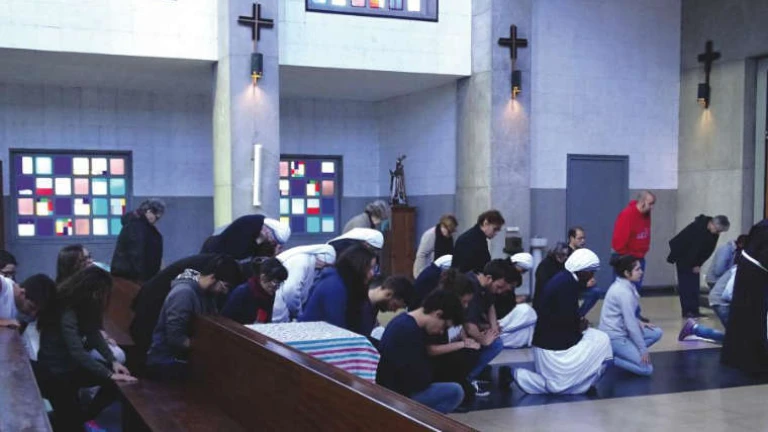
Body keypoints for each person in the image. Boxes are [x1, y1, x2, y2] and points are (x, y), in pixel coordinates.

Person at [37, 266, 137, 431]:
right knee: (71, 425)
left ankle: (81, 416)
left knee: (118, 382)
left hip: (70, 368)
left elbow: (93, 333)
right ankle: (69, 418)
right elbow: (76, 351)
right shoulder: (65, 309)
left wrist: (113, 362)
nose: (103, 297)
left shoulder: (83, 306)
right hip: (56, 372)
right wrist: (109, 374)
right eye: (101, 292)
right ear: (91, 290)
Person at [515, 249, 613, 395]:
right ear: (582, 270)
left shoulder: (565, 278)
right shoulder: (566, 285)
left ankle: (580, 383)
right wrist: (579, 325)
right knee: (559, 386)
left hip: (549, 341)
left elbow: (563, 317)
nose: (592, 276)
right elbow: (565, 322)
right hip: (553, 348)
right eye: (591, 272)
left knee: (600, 338)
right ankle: (520, 376)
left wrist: (577, 323)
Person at [130, 253, 244, 364]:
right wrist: (202, 347)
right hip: (167, 359)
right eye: (225, 286)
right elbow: (175, 337)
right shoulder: (184, 293)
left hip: (180, 356)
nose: (225, 292)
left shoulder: (208, 295)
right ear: (212, 277)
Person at [376, 289, 466, 414]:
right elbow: (416, 381)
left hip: (394, 389)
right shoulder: (408, 330)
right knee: (455, 392)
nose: (441, 332)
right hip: (396, 396)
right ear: (438, 314)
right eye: (444, 326)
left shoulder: (404, 322)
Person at [56, 244, 126, 364]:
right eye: (84, 260)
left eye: (89, 257)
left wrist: (103, 334)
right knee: (116, 356)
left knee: (118, 355)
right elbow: (74, 337)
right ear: (70, 265)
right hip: (71, 346)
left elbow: (93, 323)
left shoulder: (89, 287)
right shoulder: (65, 294)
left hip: (86, 339)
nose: (91, 262)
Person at [599, 255, 663, 376]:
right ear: (627, 273)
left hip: (623, 331)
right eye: (637, 269)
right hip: (615, 337)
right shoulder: (623, 292)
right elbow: (630, 325)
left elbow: (628, 316)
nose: (641, 272)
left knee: (656, 332)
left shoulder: (627, 285)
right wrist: (643, 350)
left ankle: (628, 352)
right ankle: (612, 359)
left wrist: (639, 322)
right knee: (646, 369)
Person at [299, 245, 377, 335]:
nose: (372, 273)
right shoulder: (334, 286)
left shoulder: (348, 284)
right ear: (359, 266)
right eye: (370, 268)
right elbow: (337, 329)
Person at [667, 214, 730, 318]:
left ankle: (694, 310)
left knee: (694, 287)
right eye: (718, 230)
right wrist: (693, 264)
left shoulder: (713, 234)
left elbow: (708, 251)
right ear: (712, 224)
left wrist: (698, 264)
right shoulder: (697, 227)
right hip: (683, 258)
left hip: (695, 261)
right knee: (686, 286)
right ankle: (687, 311)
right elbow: (687, 246)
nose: (718, 233)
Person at [611, 191, 655, 321]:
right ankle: (621, 316)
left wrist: (643, 251)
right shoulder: (627, 215)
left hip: (639, 256)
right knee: (623, 290)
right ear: (642, 202)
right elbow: (619, 240)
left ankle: (634, 314)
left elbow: (645, 233)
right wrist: (627, 259)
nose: (652, 207)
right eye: (650, 203)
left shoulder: (646, 215)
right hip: (626, 257)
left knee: (635, 289)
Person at [272, 245, 336, 323]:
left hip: (284, 311)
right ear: (323, 258)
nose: (325, 268)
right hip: (279, 310)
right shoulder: (302, 261)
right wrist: (298, 313)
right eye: (326, 265)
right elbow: (290, 291)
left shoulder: (313, 266)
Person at [0, 274, 57, 360]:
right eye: (31, 307)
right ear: (22, 293)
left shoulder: (19, 312)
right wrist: (2, 321)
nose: (32, 314)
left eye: (36, 312)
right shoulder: (3, 287)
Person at [680, 262, 738, 344]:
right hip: (721, 302)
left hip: (720, 299)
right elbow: (728, 294)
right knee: (738, 340)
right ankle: (695, 329)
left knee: (738, 338)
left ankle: (695, 328)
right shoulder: (744, 268)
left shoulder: (745, 265)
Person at [110, 199, 165, 283]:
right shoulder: (137, 227)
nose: (155, 219)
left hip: (132, 276)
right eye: (156, 216)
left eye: (158, 218)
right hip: (133, 278)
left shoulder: (139, 226)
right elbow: (136, 254)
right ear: (148, 211)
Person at [222, 258, 289, 325]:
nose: (277, 287)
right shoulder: (242, 292)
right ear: (263, 277)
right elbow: (226, 320)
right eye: (274, 282)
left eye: (279, 283)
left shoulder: (269, 292)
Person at [201, 214, 291, 259]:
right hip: (214, 251)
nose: (272, 242)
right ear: (268, 230)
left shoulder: (262, 234)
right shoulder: (250, 224)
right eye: (273, 239)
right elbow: (239, 253)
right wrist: (258, 241)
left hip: (224, 255)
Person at [413, 214, 458, 278]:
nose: (450, 234)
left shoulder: (448, 238)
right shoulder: (430, 235)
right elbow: (421, 255)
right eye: (449, 232)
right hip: (428, 272)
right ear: (443, 226)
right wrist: (421, 274)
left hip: (442, 273)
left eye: (452, 232)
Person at [533, 242, 570, 309]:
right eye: (563, 254)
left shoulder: (563, 265)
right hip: (544, 302)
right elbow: (544, 284)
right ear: (556, 254)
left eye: (566, 255)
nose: (565, 257)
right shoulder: (545, 265)